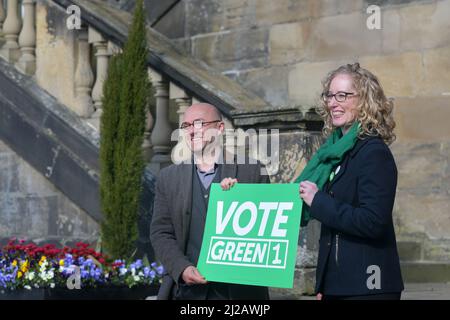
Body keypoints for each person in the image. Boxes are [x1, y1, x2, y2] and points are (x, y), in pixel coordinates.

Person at [297, 63, 404, 300]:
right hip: (339, 286)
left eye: (343, 95)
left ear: (365, 101)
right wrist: (324, 282)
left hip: (368, 288)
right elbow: (333, 231)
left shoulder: (373, 153)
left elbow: (372, 222)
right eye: (330, 95)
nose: (333, 102)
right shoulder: (334, 153)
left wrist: (318, 200)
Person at [150, 103, 270, 300]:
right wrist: (182, 268)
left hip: (239, 295)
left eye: (199, 124)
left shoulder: (252, 171)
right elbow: (161, 232)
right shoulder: (168, 178)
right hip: (188, 294)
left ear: (220, 128)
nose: (191, 131)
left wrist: (239, 199)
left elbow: (268, 231)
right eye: (186, 125)